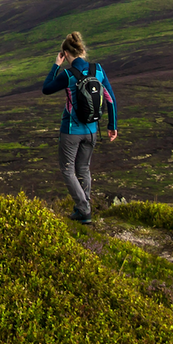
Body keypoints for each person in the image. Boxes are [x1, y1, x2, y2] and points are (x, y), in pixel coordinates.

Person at [42, 31, 117, 223]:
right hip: (92, 130)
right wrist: (112, 125)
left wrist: (56, 65)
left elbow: (46, 88)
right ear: (82, 51)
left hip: (71, 130)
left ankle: (84, 209)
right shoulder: (98, 69)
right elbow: (111, 99)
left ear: (65, 54)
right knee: (83, 168)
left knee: (67, 170)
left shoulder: (67, 74)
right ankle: (83, 209)